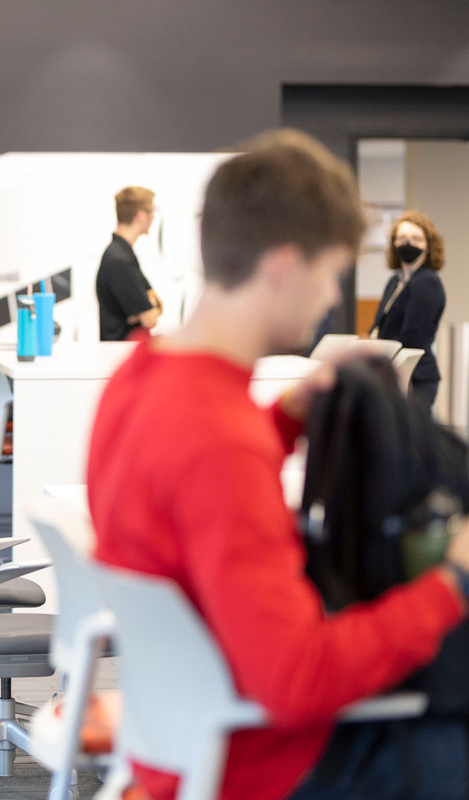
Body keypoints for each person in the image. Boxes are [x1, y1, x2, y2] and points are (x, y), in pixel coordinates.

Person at [88, 130, 469, 800]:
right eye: (329, 276)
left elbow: (189, 485)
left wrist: (288, 415)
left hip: (175, 733)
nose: (329, 299)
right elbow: (297, 681)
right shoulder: (223, 445)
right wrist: (452, 582)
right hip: (260, 759)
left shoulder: (141, 379)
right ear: (285, 268)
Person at [369, 211, 446, 409]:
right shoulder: (395, 280)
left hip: (414, 377)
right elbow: (380, 326)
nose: (408, 244)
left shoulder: (426, 282)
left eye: (416, 238)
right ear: (394, 243)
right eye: (402, 238)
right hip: (393, 374)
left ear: (428, 245)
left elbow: (413, 337)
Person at [96, 186, 162, 341]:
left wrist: (144, 310)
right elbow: (150, 319)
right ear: (141, 215)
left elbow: (156, 302)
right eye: (151, 211)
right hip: (120, 350)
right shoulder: (119, 261)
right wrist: (147, 309)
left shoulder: (124, 254)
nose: (153, 217)